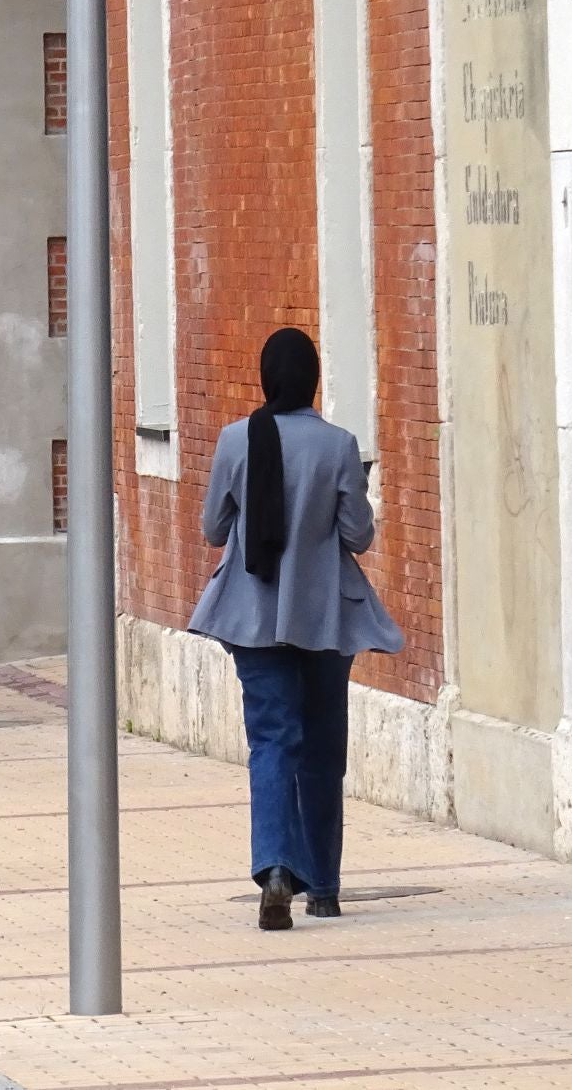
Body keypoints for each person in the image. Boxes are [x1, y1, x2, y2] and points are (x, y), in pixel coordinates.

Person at [188, 327, 403, 931]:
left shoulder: (236, 440)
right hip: (325, 616)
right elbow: (358, 534)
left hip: (252, 617)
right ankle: (326, 887)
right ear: (314, 381)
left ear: (264, 378)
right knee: (322, 745)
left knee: (272, 741)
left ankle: (276, 868)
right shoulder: (338, 445)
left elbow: (212, 528)